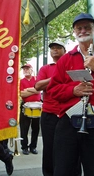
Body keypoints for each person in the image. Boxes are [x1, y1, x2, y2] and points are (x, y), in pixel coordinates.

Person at [47, 13, 94, 176]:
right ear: (74, 31)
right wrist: (73, 90)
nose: (83, 30)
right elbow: (52, 90)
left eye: (87, 27)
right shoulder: (66, 59)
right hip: (69, 120)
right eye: (79, 28)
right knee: (64, 168)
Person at [35, 41, 66, 176]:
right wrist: (54, 77)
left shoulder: (70, 66)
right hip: (49, 114)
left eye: (58, 48)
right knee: (49, 148)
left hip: (68, 113)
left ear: (64, 51)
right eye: (52, 48)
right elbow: (38, 86)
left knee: (69, 147)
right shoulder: (45, 69)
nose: (55, 50)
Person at [20, 64, 41, 155]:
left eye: (27, 68)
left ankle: (33, 146)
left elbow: (38, 91)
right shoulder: (21, 81)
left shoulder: (37, 79)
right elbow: (22, 94)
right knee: (24, 128)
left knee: (35, 128)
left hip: (37, 106)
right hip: (25, 105)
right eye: (24, 69)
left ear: (32, 69)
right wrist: (33, 90)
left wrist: (27, 90)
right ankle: (24, 147)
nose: (25, 70)